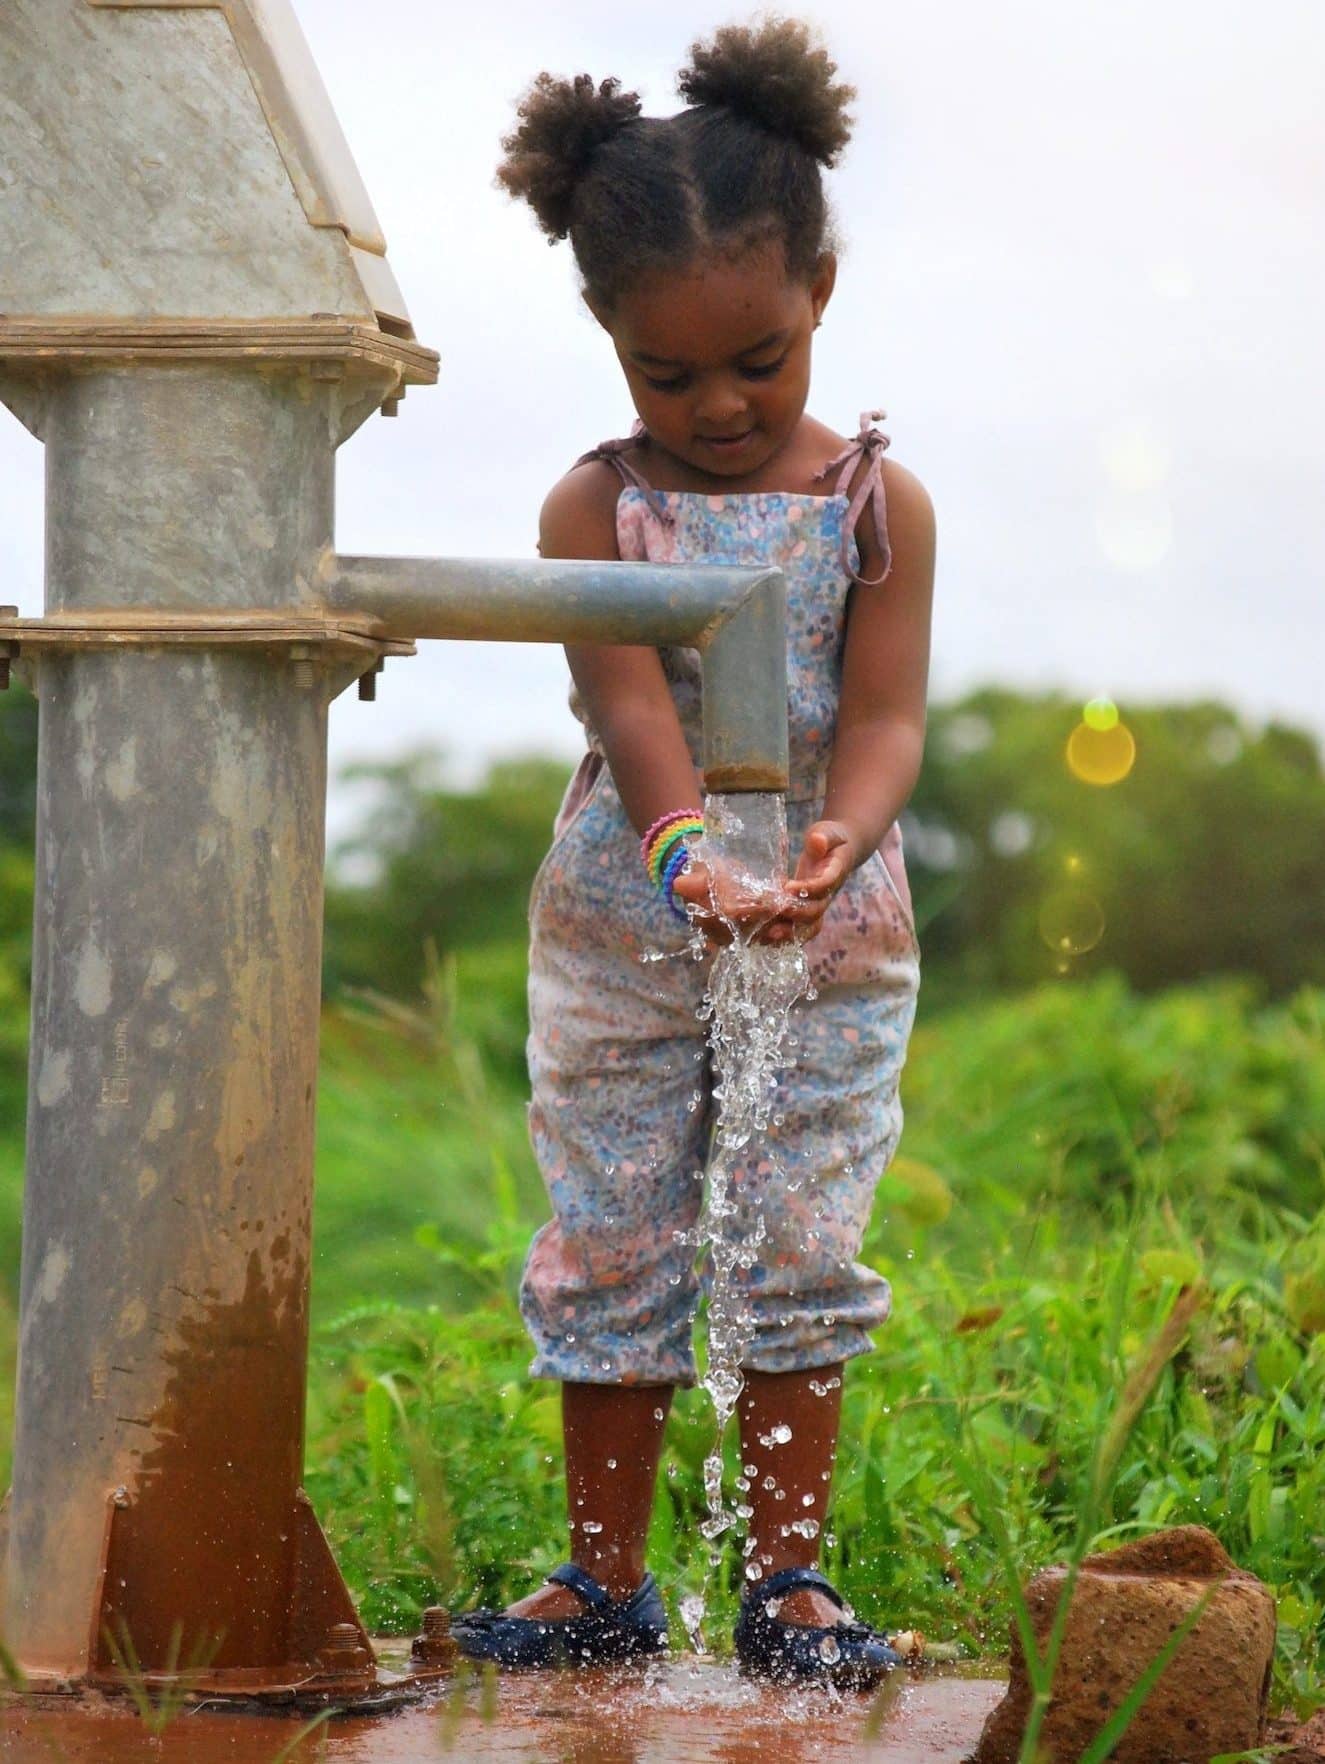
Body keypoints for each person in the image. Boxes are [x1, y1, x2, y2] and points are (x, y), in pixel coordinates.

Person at [451, 18, 935, 1689]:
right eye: (671, 375)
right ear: (606, 335)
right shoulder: (593, 510)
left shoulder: (878, 505)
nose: (719, 405)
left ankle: (785, 1580)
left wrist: (828, 845)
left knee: (797, 1233)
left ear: (819, 288)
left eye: (760, 359)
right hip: (625, 919)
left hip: (823, 916)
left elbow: (880, 722)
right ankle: (602, 1580)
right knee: (613, 1234)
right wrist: (680, 859)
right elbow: (625, 703)